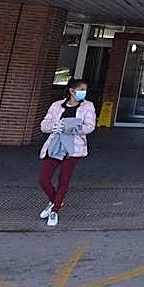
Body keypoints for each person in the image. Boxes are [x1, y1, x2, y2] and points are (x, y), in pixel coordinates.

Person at [37, 78, 96, 228]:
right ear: (71, 90)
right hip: (55, 145)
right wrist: (55, 127)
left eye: (85, 90)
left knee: (64, 180)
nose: (84, 93)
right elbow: (44, 125)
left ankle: (55, 210)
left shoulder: (88, 106)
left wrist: (73, 128)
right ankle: (55, 201)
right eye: (81, 90)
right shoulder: (57, 105)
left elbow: (90, 127)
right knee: (43, 179)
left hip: (74, 148)